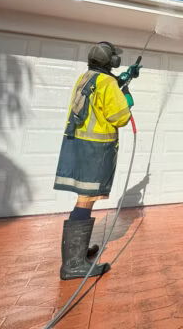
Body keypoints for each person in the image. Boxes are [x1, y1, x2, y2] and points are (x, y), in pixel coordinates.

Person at [53, 41, 140, 280]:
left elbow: (100, 93)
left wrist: (123, 79)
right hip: (96, 149)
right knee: (86, 198)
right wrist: (127, 96)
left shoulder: (88, 77)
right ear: (110, 61)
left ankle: (78, 254)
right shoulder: (107, 83)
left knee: (85, 197)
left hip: (80, 145)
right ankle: (73, 264)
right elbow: (120, 116)